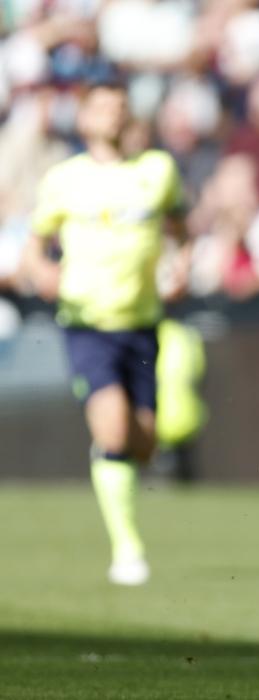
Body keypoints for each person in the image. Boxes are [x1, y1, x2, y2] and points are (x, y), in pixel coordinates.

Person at [25, 80, 191, 586]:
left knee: (144, 444)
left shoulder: (157, 170)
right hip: (87, 323)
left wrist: (181, 264)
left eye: (121, 107)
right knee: (114, 429)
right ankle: (127, 548)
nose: (114, 115)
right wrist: (42, 272)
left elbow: (180, 229)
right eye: (102, 107)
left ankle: (110, 458)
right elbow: (35, 246)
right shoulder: (65, 179)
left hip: (141, 322)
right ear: (84, 119)